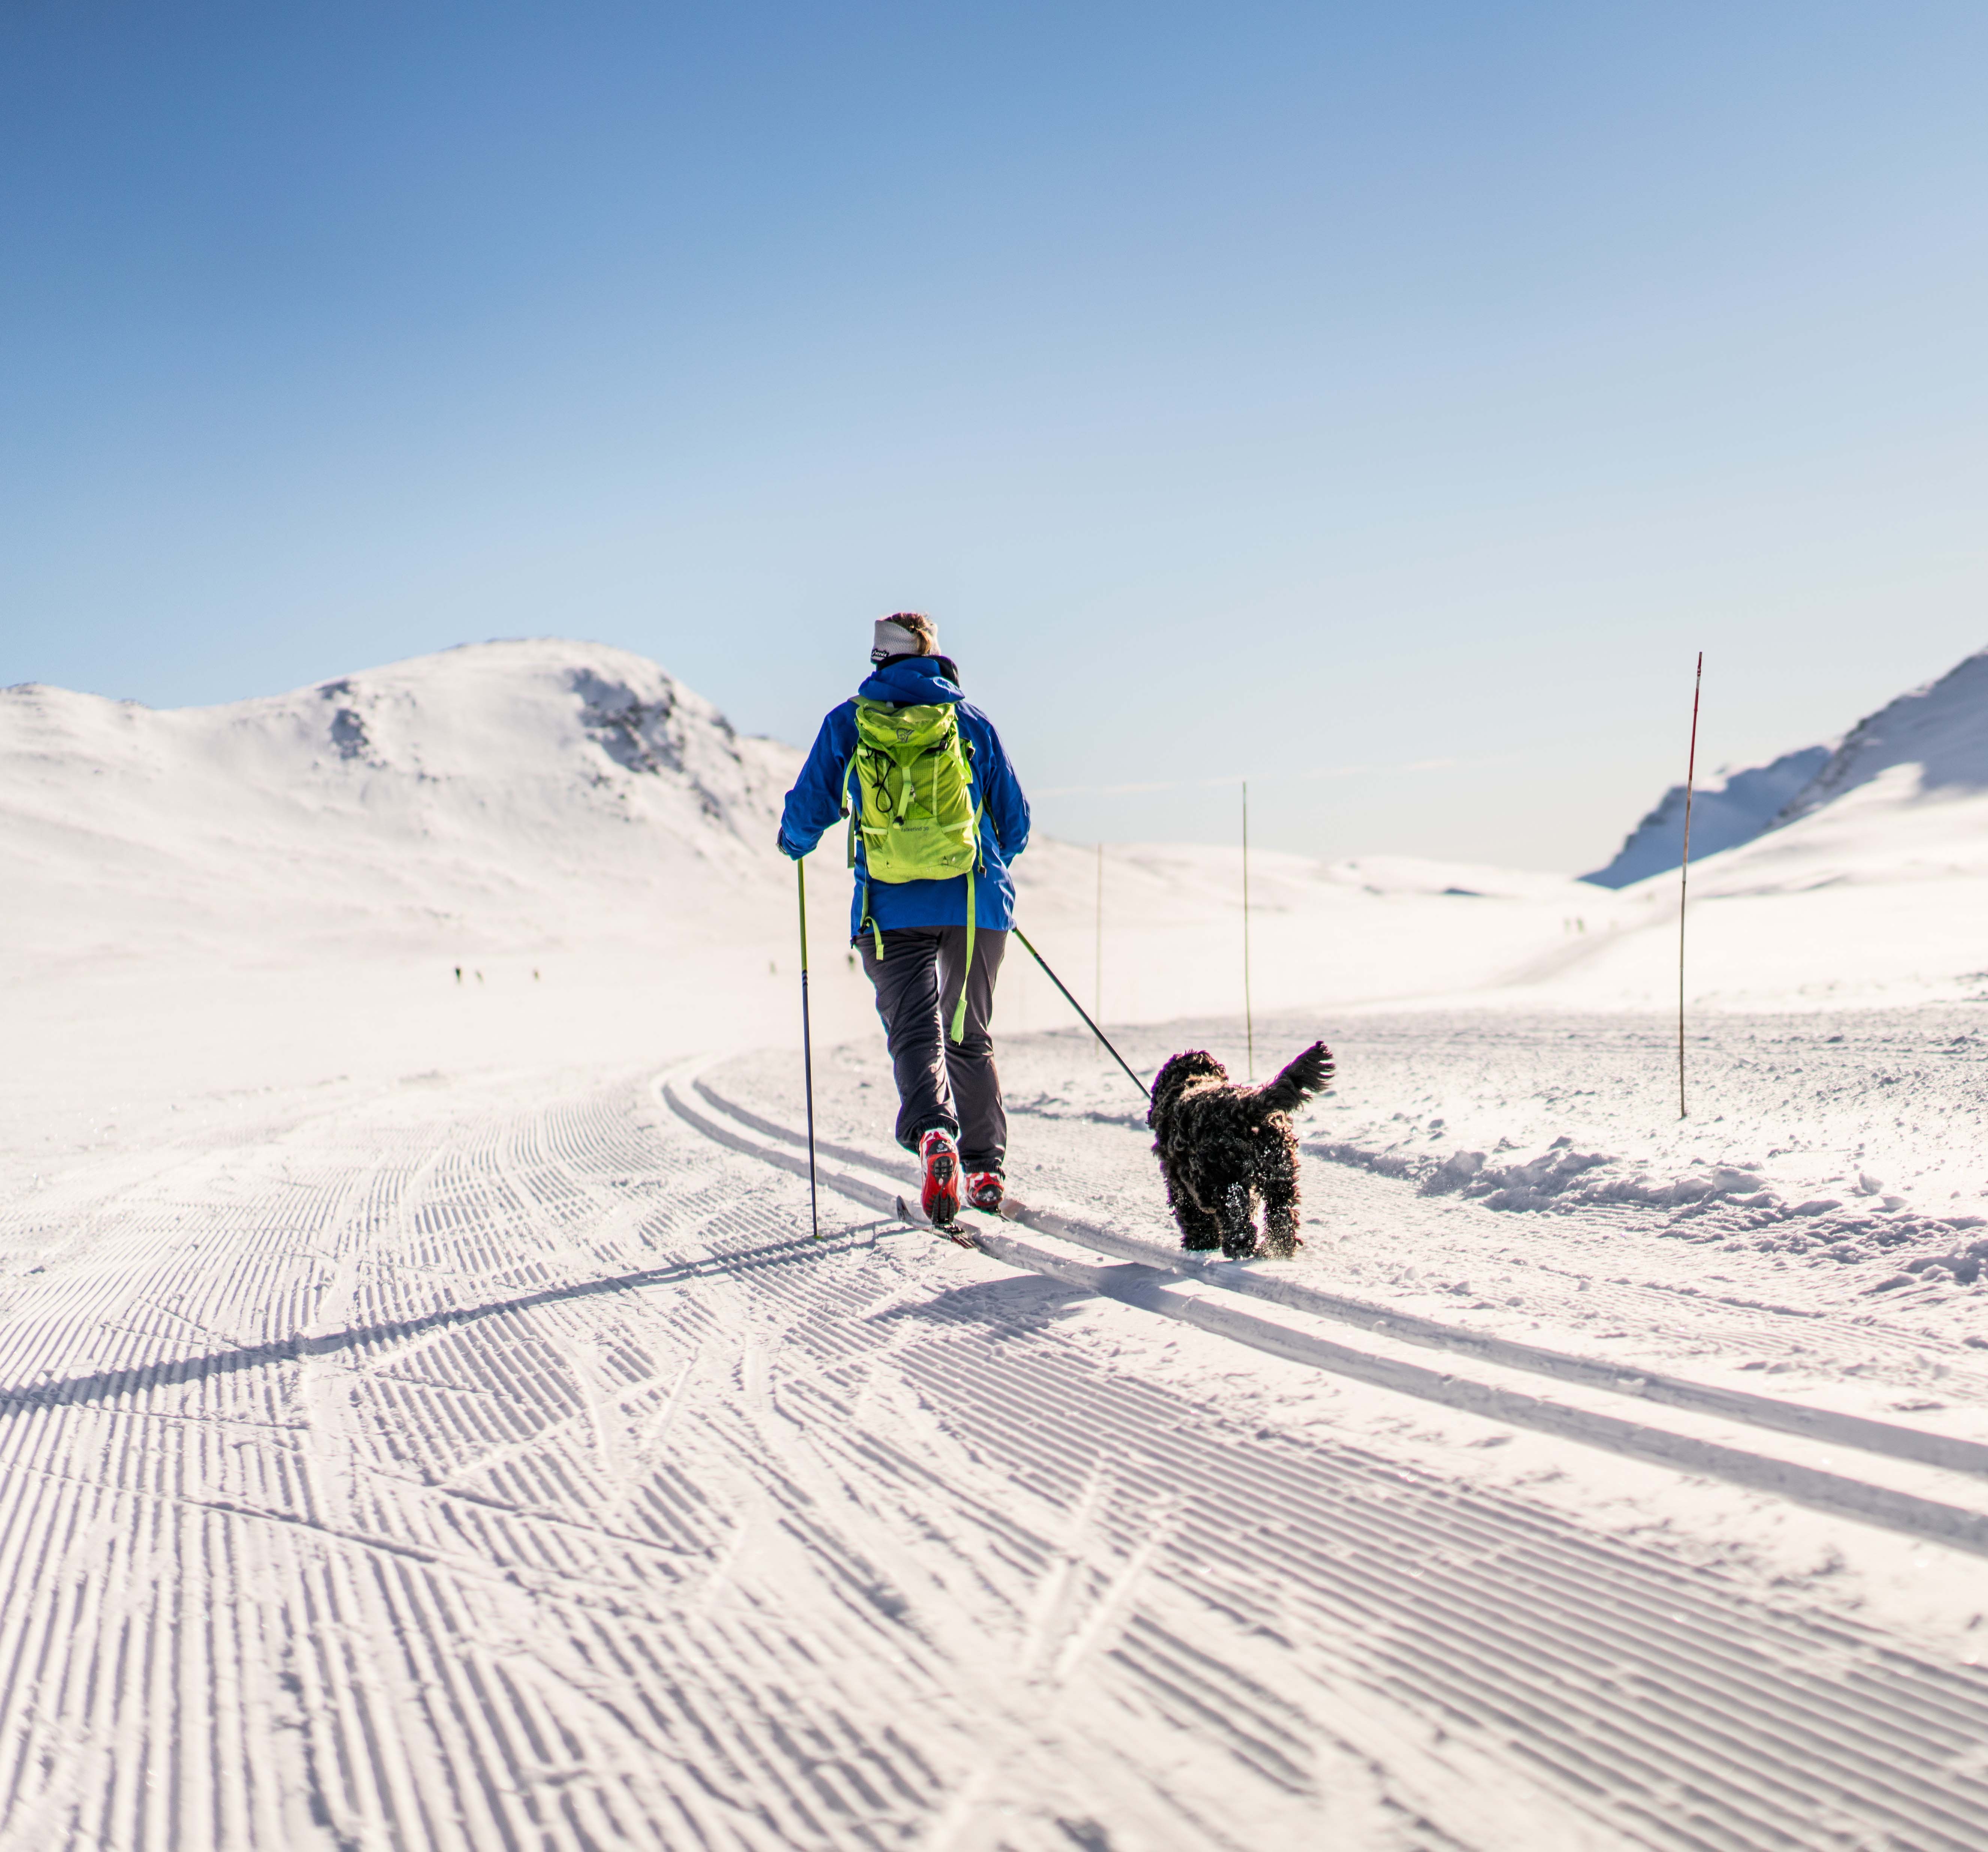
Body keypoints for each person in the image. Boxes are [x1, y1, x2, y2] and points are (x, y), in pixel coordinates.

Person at [777, 613, 1030, 1227]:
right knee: (969, 1033)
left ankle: (933, 1135)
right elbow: (1015, 821)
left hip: (888, 909)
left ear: (877, 659)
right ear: (935, 655)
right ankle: (985, 1168)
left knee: (915, 1035)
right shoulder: (967, 722)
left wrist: (794, 842)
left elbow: (806, 811)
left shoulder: (850, 721)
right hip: (974, 904)